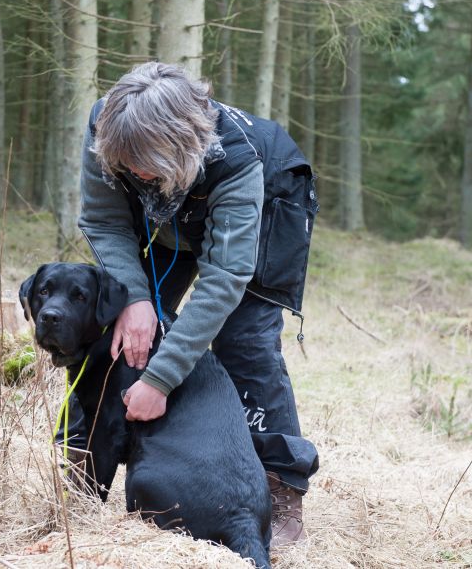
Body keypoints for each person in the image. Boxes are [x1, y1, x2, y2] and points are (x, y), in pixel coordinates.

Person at [74, 61, 319, 545]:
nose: (135, 173)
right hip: (168, 216)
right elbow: (103, 221)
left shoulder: (237, 161)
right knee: (122, 332)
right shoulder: (108, 127)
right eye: (127, 165)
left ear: (181, 147)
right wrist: (136, 299)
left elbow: (225, 277)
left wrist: (162, 379)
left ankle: (280, 488)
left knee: (245, 345)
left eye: (145, 164)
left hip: (266, 206)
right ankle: (88, 460)